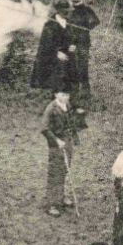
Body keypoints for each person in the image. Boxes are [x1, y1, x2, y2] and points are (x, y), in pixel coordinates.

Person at [41, 89, 81, 217]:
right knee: (55, 173)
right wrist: (57, 141)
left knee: (65, 170)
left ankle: (61, 197)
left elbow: (71, 122)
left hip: (67, 143)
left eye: (67, 94)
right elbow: (44, 129)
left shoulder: (67, 106)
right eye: (63, 94)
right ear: (55, 94)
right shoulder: (51, 109)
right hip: (56, 146)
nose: (66, 97)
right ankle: (51, 204)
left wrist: (74, 138)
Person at [31, 4, 74, 91]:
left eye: (69, 11)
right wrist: (57, 53)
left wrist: (72, 44)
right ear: (59, 11)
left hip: (64, 50)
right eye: (66, 11)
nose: (68, 13)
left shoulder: (68, 22)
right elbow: (46, 44)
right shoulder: (49, 25)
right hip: (49, 54)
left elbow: (72, 37)